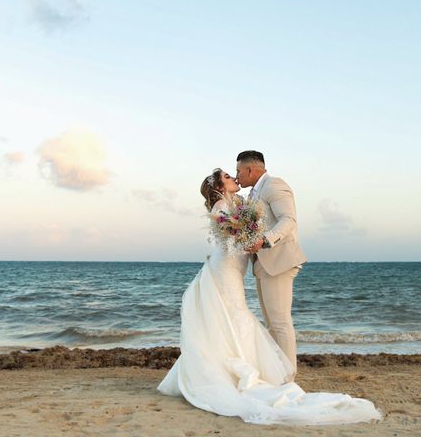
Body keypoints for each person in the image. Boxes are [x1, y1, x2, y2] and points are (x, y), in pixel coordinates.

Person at [156, 168, 382, 425]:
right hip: (225, 269)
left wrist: (256, 236)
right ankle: (230, 369)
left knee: (239, 315)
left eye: (235, 173)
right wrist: (249, 234)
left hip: (235, 268)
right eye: (229, 177)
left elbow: (271, 225)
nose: (234, 178)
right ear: (219, 186)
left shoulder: (241, 201)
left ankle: (245, 366)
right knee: (233, 314)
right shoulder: (222, 205)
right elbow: (232, 239)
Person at [235, 150, 306, 380]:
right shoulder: (253, 195)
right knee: (271, 323)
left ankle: (289, 376)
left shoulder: (274, 185)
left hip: (279, 262)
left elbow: (288, 219)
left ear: (250, 169)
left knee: (280, 322)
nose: (237, 177)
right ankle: (278, 372)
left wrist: (265, 240)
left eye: (238, 171)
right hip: (262, 265)